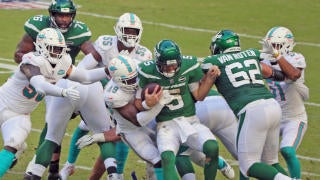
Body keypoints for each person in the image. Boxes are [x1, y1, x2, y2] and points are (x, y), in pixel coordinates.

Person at [0, 28, 109, 179]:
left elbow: (85, 76)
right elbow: (40, 86)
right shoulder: (31, 60)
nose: (57, 53)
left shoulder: (62, 63)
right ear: (41, 47)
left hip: (19, 115)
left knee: (13, 144)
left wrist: (108, 71)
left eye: (59, 49)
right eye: (53, 49)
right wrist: (62, 92)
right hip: (2, 102)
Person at [59, 12, 153, 179]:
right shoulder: (106, 43)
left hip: (124, 98)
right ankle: (69, 165)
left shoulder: (144, 54)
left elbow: (143, 84)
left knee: (123, 133)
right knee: (84, 127)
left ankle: (118, 173)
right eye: (127, 30)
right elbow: (83, 68)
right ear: (118, 29)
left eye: (134, 31)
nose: (130, 35)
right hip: (101, 91)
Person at [14, 0, 101, 178]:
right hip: (38, 76)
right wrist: (38, 61)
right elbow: (18, 54)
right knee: (47, 123)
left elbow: (94, 56)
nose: (64, 19)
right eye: (60, 15)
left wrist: (79, 72)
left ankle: (48, 170)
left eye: (68, 15)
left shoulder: (79, 31)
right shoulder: (37, 27)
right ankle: (31, 161)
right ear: (51, 15)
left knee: (54, 124)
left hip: (62, 77)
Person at [200, 29, 293, 180]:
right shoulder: (251, 53)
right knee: (270, 162)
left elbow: (200, 91)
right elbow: (274, 73)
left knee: (248, 166)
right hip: (272, 105)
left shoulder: (214, 62)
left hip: (252, 110)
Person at [135, 39, 221, 180]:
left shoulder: (189, 65)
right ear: (157, 62)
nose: (171, 69)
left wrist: (210, 79)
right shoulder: (146, 71)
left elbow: (198, 96)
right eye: (166, 66)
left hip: (190, 121)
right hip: (165, 125)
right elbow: (137, 104)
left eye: (174, 65)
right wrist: (147, 103)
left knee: (212, 147)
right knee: (167, 158)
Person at [261, 26, 308, 180]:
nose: (273, 49)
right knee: (264, 158)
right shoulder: (265, 59)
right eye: (271, 45)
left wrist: (277, 56)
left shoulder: (296, 58)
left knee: (287, 150)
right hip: (275, 117)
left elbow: (294, 74)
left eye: (276, 45)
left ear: (286, 45)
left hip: (295, 118)